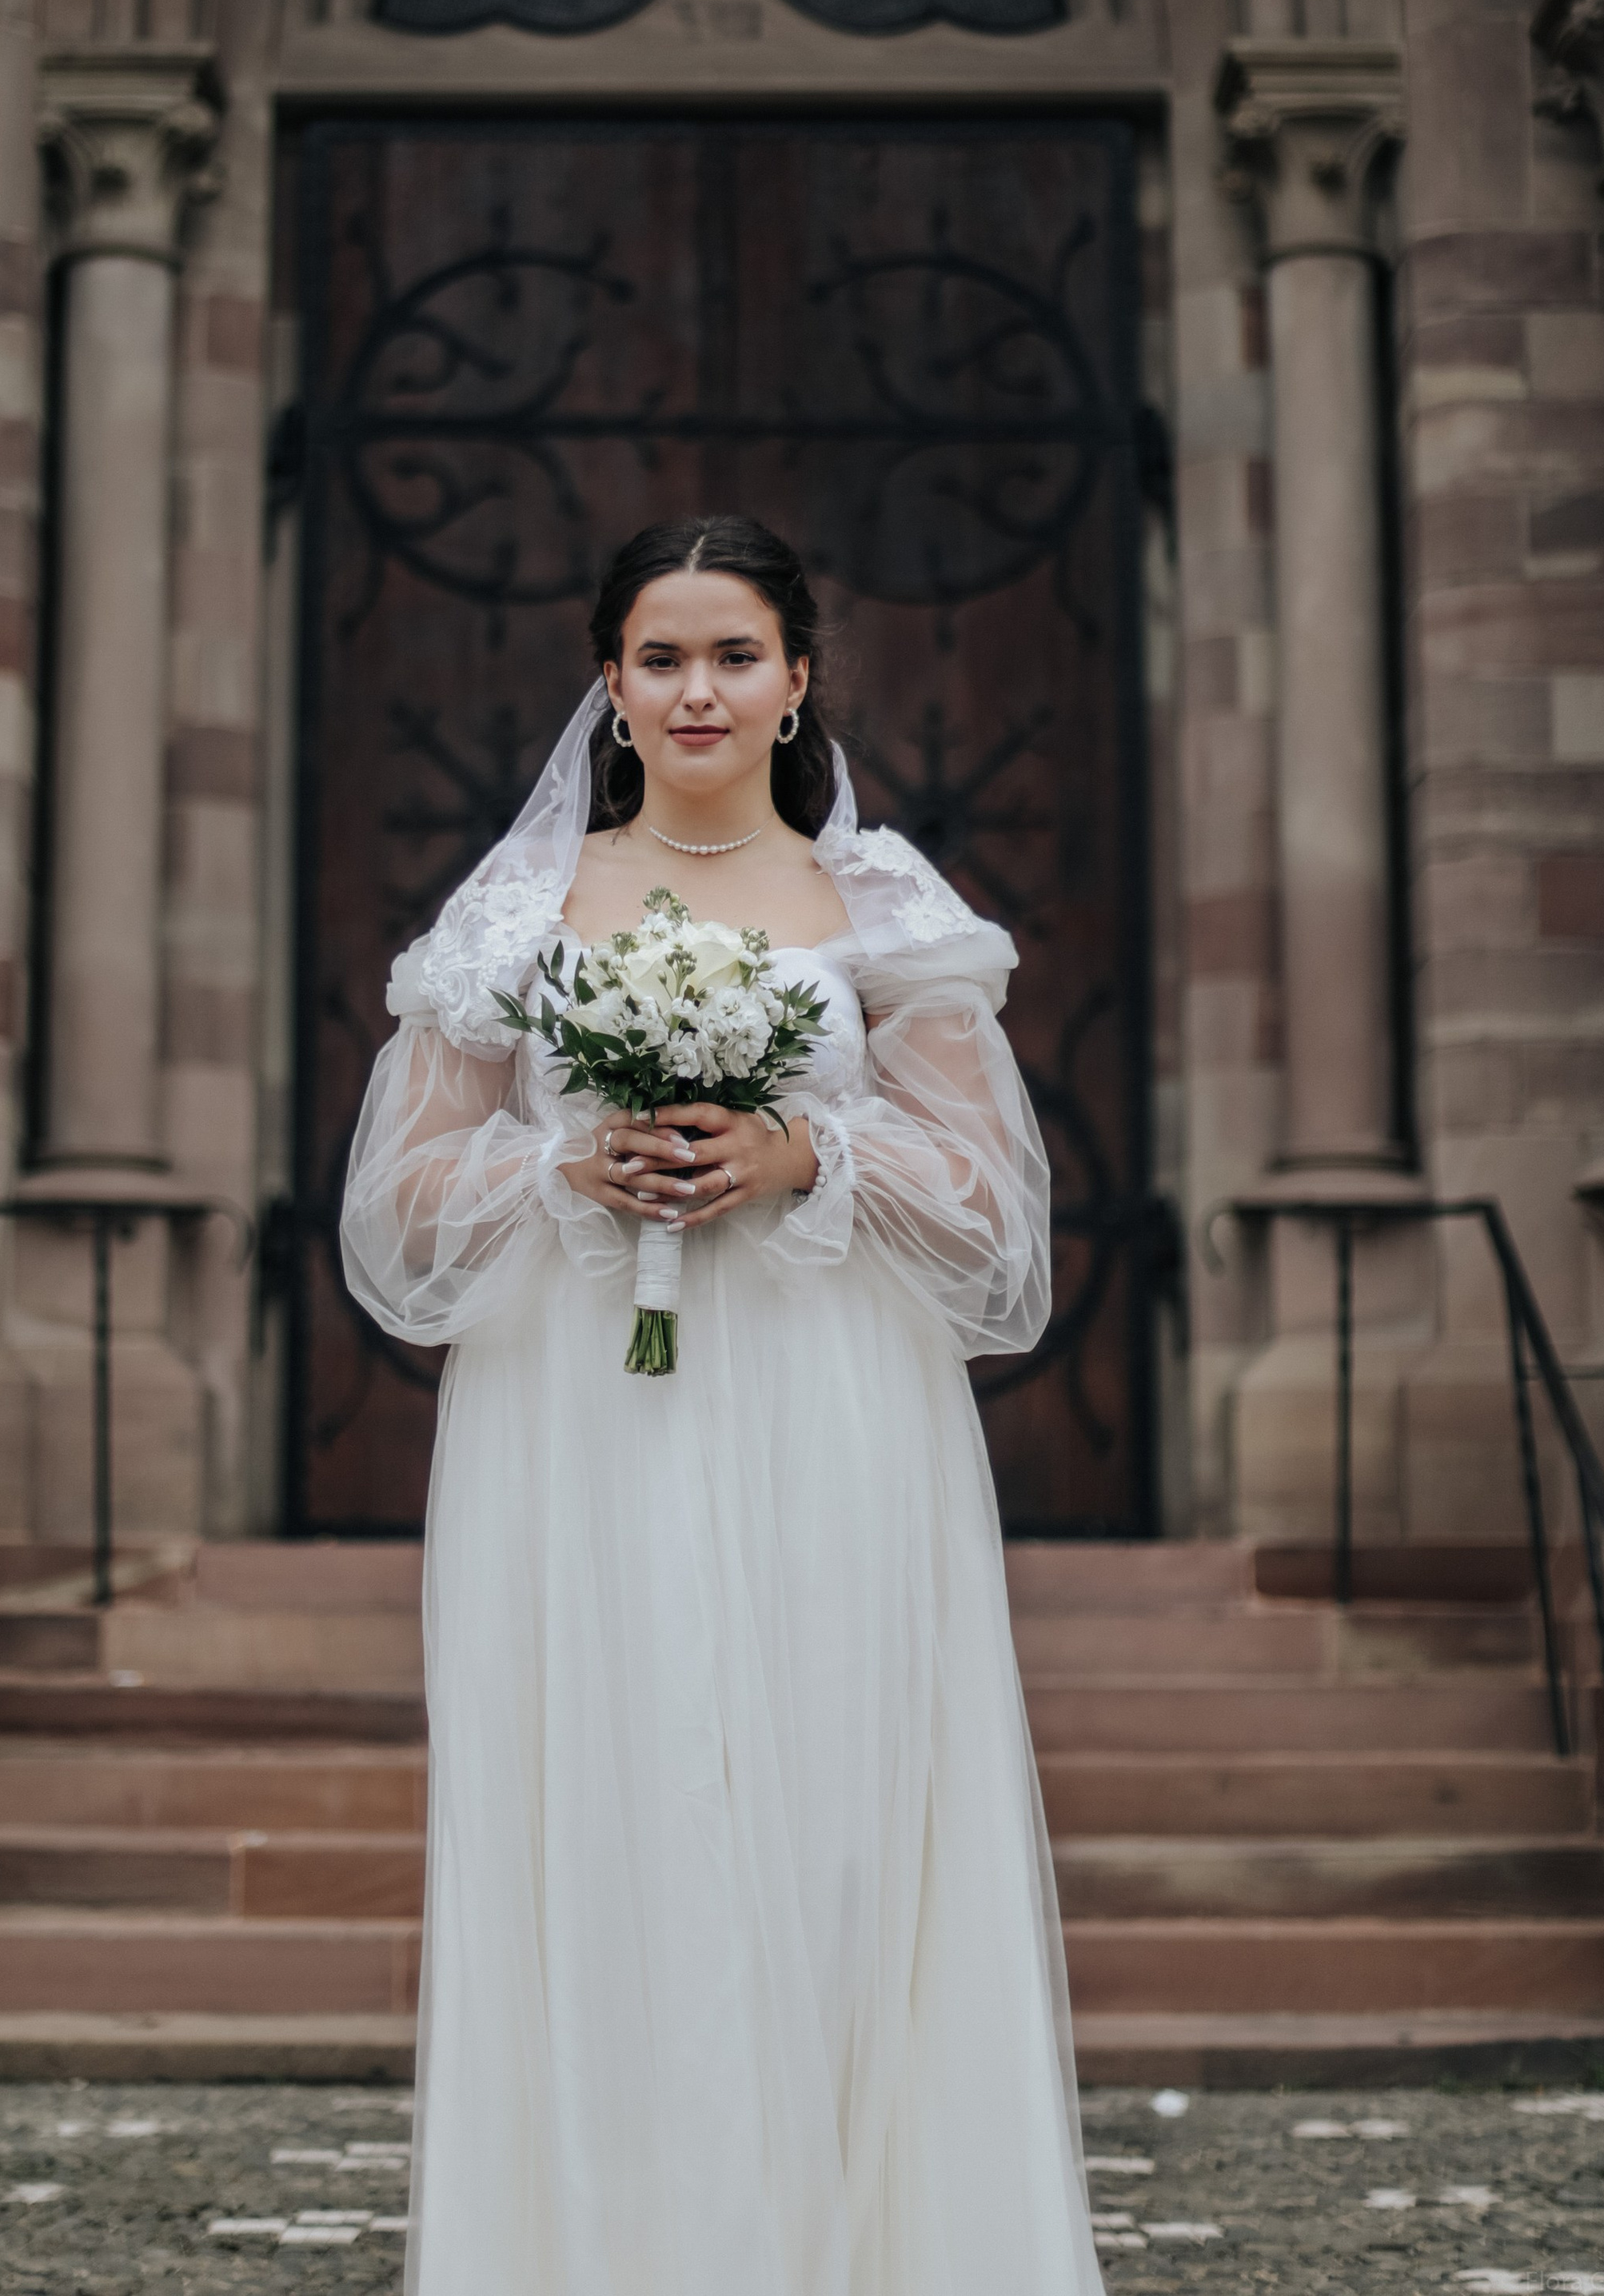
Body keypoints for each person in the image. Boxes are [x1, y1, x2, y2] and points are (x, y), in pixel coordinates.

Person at [339, 514, 1104, 2296]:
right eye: (661, 657)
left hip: (831, 1411)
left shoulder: (883, 907)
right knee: (608, 1834)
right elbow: (397, 1205)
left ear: (795, 681)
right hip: (577, 1425)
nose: (697, 689)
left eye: (733, 654)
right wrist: (562, 1167)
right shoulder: (517, 911)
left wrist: (798, 1144)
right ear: (607, 685)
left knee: (835, 1825)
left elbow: (992, 1212)